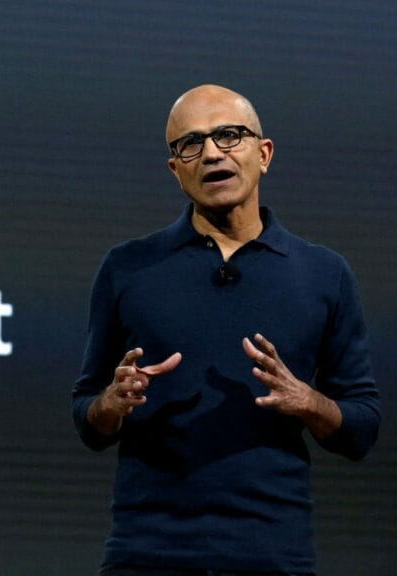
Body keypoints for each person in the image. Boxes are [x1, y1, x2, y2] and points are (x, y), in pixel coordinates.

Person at [72, 85, 380, 576]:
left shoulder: (325, 274)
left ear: (264, 154)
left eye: (229, 135)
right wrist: (111, 403)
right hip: (147, 555)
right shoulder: (128, 269)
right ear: (176, 170)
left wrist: (308, 401)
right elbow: (87, 418)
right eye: (190, 144)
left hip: (272, 556)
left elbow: (362, 427)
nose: (211, 152)